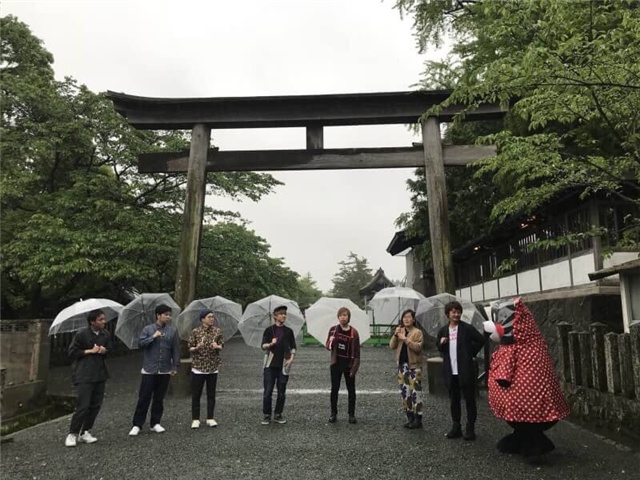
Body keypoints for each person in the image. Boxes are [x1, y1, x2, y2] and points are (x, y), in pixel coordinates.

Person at [484, 297, 570, 458]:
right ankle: (523, 437)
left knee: (527, 412)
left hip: (525, 402)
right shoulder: (530, 345)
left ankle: (533, 442)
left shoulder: (519, 347)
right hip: (525, 402)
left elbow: (504, 374)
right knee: (525, 414)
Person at [436, 300, 485, 441]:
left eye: (458, 312)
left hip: (466, 369)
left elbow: (480, 340)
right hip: (451, 370)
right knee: (454, 400)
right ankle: (456, 426)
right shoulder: (443, 331)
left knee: (469, 399)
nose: (456, 314)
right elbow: (439, 347)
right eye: (453, 312)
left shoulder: (467, 328)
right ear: (448, 314)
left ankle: (470, 428)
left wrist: (470, 352)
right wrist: (441, 343)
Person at [129, 304, 180, 436]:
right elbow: (140, 344)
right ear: (158, 315)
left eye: (169, 315)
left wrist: (175, 366)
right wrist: (153, 337)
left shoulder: (172, 331)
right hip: (149, 369)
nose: (168, 317)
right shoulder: (148, 329)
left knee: (159, 397)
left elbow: (175, 349)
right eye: (166, 314)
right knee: (144, 397)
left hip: (165, 369)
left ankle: (155, 423)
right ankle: (137, 424)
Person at [65, 309, 112, 447]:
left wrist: (104, 350)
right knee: (83, 405)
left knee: (96, 405)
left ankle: (85, 431)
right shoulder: (81, 334)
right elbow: (72, 352)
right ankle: (72, 433)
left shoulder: (105, 334)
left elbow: (110, 350)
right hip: (84, 374)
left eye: (104, 319)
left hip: (100, 372)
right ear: (92, 322)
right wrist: (89, 351)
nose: (103, 322)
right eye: (100, 319)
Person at [261, 304, 296, 425]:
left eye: (285, 314)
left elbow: (293, 346)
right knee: (268, 391)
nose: (283, 316)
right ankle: (267, 414)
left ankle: (278, 414)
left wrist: (291, 358)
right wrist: (271, 343)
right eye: (281, 314)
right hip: (270, 365)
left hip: (284, 364)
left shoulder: (288, 331)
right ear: (275, 316)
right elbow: (263, 346)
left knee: (281, 392)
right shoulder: (269, 330)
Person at [188, 309, 224, 429]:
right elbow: (190, 347)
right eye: (209, 317)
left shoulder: (217, 331)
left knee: (211, 394)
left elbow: (222, 345)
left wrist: (217, 346)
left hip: (213, 366)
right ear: (202, 319)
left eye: (212, 317)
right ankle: (195, 419)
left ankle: (210, 418)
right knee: (196, 394)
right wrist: (197, 347)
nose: (212, 319)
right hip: (199, 367)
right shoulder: (195, 332)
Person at [389, 309, 424, 429]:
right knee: (405, 393)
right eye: (404, 317)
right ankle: (409, 417)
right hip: (402, 366)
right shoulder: (400, 331)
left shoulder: (417, 332)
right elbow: (392, 346)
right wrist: (396, 335)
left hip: (414, 366)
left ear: (413, 319)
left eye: (409, 317)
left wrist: (405, 339)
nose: (406, 319)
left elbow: (418, 348)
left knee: (416, 393)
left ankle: (418, 418)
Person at [325, 307, 361, 424]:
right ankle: (333, 413)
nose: (343, 317)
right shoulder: (333, 330)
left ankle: (351, 414)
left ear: (348, 317)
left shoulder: (354, 332)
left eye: (345, 315)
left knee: (351, 390)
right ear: (338, 317)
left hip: (348, 364)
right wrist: (332, 341)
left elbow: (357, 352)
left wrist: (355, 367)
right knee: (334, 389)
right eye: (341, 315)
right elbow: (327, 346)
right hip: (336, 363)